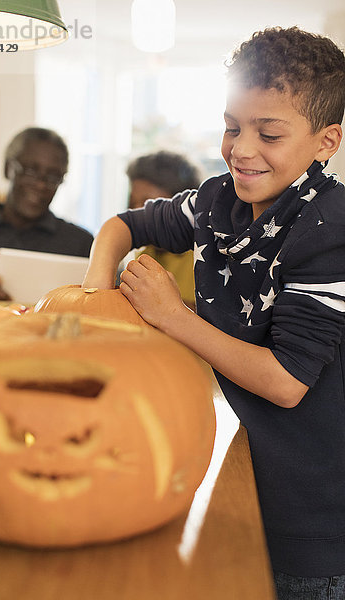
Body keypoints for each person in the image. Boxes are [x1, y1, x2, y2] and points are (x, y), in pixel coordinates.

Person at [83, 27, 345, 599]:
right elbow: (121, 226)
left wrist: (172, 316)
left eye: (268, 133)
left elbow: (286, 383)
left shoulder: (329, 231)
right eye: (232, 126)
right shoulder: (215, 200)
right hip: (242, 463)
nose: (241, 149)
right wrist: (94, 300)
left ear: (326, 142)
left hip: (311, 513)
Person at [0, 127, 93, 300]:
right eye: (30, 171)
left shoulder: (81, 244)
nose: (40, 185)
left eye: (52, 177)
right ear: (8, 169)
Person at [126, 150, 202, 309]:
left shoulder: (203, 258)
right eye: (133, 202)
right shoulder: (144, 255)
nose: (137, 212)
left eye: (148, 205)